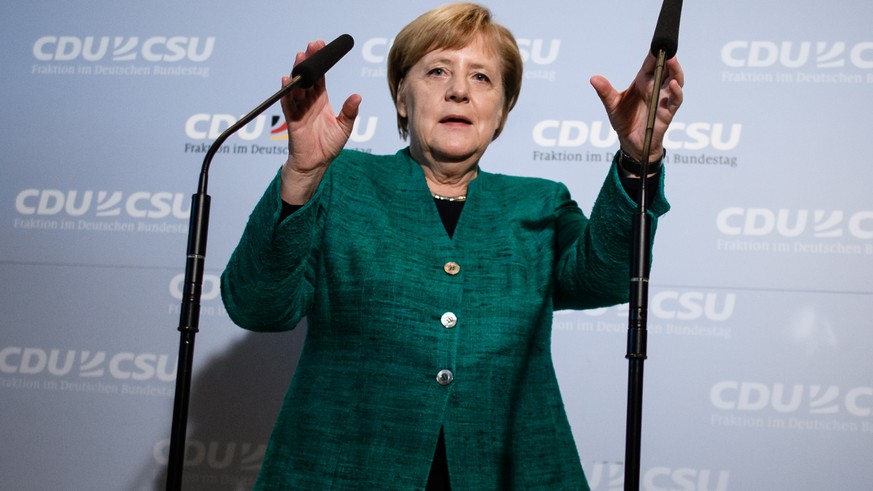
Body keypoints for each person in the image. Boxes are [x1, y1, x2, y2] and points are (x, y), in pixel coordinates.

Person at [220, 3, 683, 490]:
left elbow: (610, 277)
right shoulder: (342, 184)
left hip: (512, 472)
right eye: (438, 70)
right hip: (341, 470)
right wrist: (302, 175)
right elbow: (257, 307)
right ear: (402, 96)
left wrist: (638, 159)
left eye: (482, 78)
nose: (459, 89)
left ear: (502, 109)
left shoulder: (538, 201)